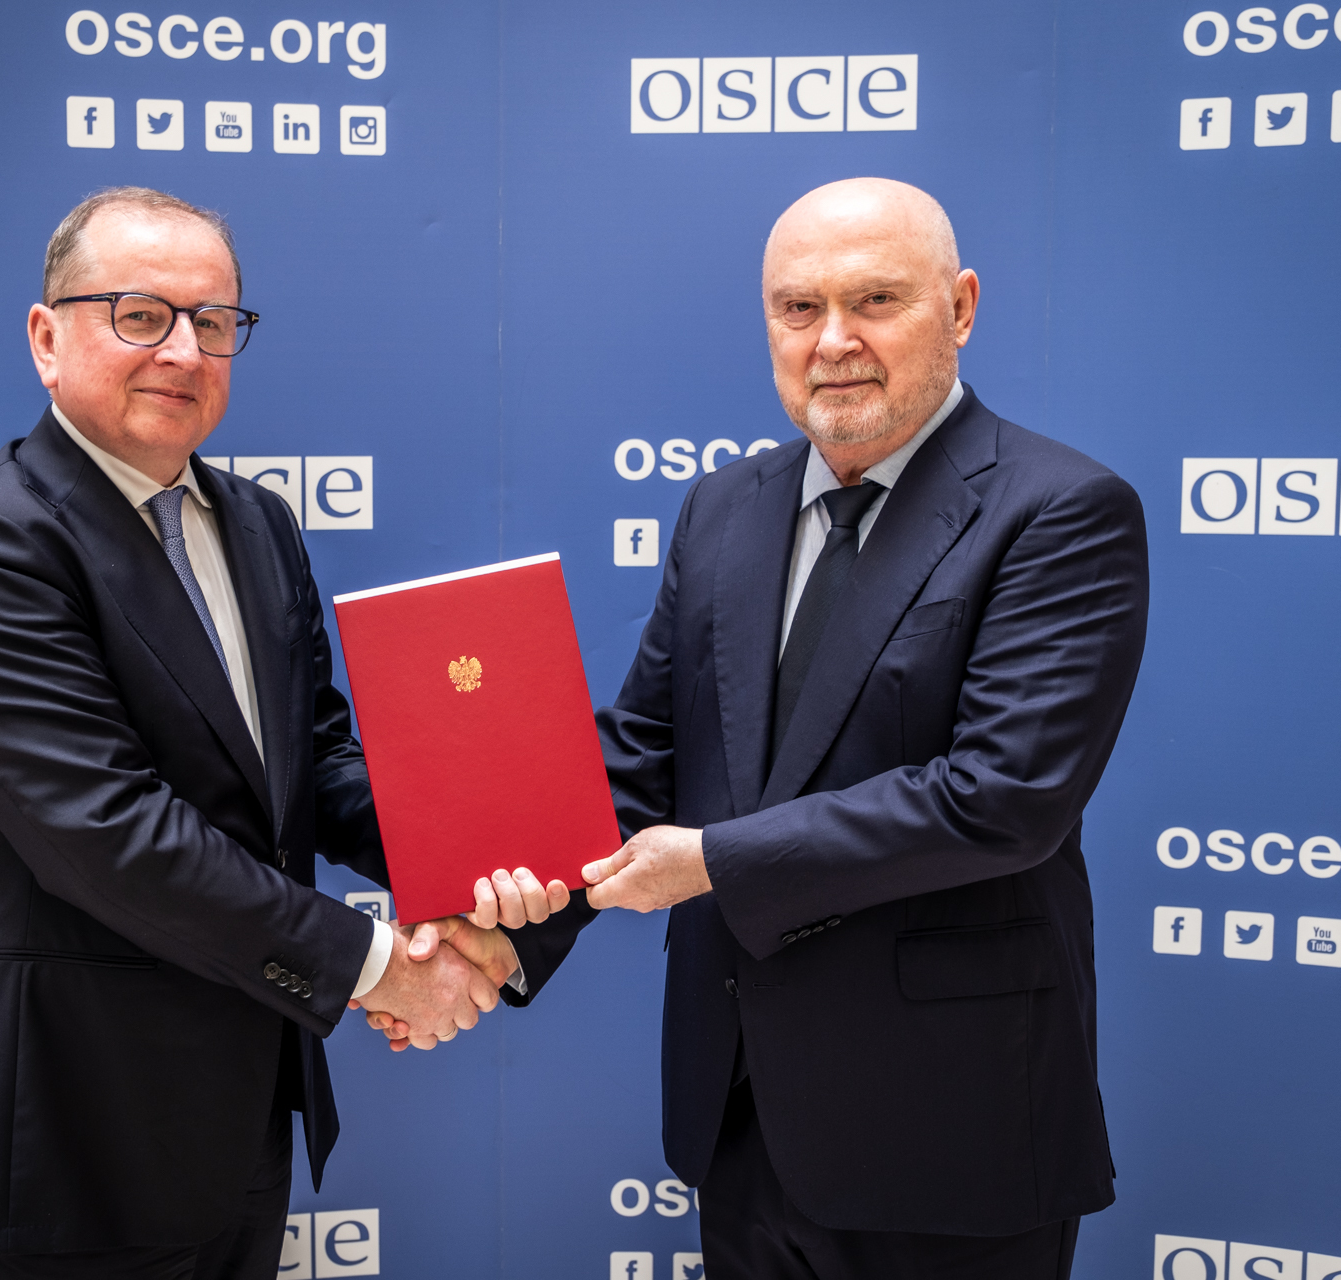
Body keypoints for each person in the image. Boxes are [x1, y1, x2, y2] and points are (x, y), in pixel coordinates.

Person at [444, 178, 1151, 1278]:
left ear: (961, 307)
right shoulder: (724, 506)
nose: (833, 341)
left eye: (875, 300)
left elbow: (1001, 799)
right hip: (740, 1112)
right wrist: (503, 938)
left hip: (948, 1129)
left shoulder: (1060, 509)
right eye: (798, 307)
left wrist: (710, 862)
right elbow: (644, 757)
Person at [0, 186, 535, 1280]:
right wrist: (379, 965)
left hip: (242, 1112)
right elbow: (110, 834)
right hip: (73, 1139)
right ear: (47, 339)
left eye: (214, 320)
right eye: (141, 315)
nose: (184, 351)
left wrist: (471, 860)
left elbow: (314, 761)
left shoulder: (256, 522)